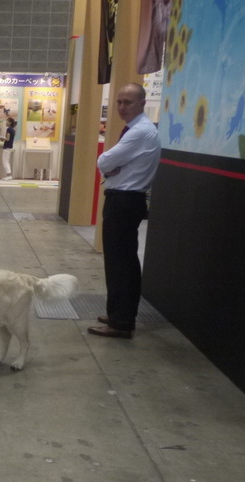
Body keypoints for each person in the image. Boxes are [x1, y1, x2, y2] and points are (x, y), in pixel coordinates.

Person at [88, 83, 161, 339]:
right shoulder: (137, 130)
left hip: (125, 201)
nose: (121, 107)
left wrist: (108, 166)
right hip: (125, 200)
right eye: (119, 102)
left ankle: (120, 322)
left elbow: (104, 161)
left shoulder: (140, 132)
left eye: (127, 102)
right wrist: (110, 167)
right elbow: (109, 165)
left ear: (142, 103)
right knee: (122, 261)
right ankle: (119, 314)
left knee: (121, 263)